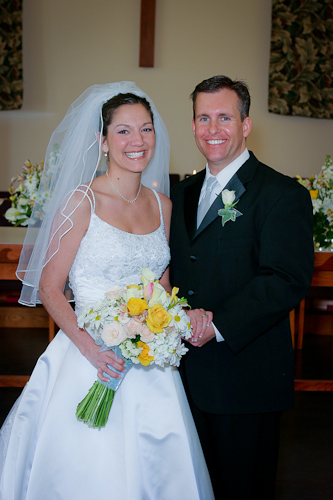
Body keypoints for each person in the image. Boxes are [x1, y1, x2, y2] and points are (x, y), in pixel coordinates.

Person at [0, 82, 214, 500]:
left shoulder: (162, 206)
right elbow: (49, 286)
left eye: (146, 129)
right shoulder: (83, 201)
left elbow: (162, 287)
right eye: (124, 131)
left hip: (151, 361)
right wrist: (90, 349)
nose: (138, 141)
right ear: (102, 141)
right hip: (88, 356)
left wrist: (169, 324)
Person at [169, 75, 314, 500]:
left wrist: (217, 324)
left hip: (245, 378)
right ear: (193, 125)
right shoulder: (180, 193)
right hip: (182, 376)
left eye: (224, 118)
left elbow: (285, 278)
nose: (213, 129)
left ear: (246, 125)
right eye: (203, 118)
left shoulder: (281, 194)